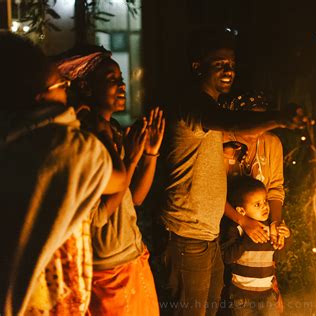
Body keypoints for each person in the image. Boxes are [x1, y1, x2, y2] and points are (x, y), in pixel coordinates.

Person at [156, 28, 298, 315]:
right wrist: (279, 118)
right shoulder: (193, 104)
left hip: (206, 237)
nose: (228, 70)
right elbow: (230, 122)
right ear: (198, 66)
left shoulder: (211, 108)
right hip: (187, 235)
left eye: (232, 65)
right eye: (220, 64)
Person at [0, 32, 127, 316]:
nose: (66, 93)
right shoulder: (67, 148)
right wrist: (91, 127)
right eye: (62, 84)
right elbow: (118, 180)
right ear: (40, 97)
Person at [58, 47, 164, 315]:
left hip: (131, 251)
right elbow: (100, 216)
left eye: (121, 78)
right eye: (112, 79)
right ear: (86, 87)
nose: (122, 85)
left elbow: (134, 198)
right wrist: (131, 160)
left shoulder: (113, 129)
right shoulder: (86, 139)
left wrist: (150, 154)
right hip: (109, 267)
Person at [222, 91, 286, 249]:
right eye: (249, 120)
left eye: (260, 121)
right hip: (226, 227)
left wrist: (275, 223)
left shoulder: (271, 144)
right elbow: (214, 192)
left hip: (259, 229)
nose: (255, 128)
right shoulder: (222, 141)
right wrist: (243, 221)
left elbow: (275, 187)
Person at [221, 176, 290, 316]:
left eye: (265, 201)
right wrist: (247, 240)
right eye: (257, 205)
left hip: (267, 295)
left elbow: (279, 257)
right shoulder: (237, 230)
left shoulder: (271, 228)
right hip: (242, 296)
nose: (264, 206)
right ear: (241, 211)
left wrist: (284, 238)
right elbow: (227, 257)